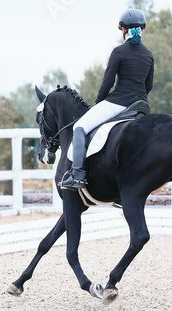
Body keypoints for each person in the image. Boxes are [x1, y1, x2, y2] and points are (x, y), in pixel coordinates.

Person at [60, 8, 154, 190]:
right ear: (142, 29)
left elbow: (107, 82)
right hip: (141, 106)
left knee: (79, 127)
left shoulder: (119, 52)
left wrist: (98, 102)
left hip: (118, 103)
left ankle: (77, 174)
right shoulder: (148, 54)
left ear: (123, 29)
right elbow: (148, 85)